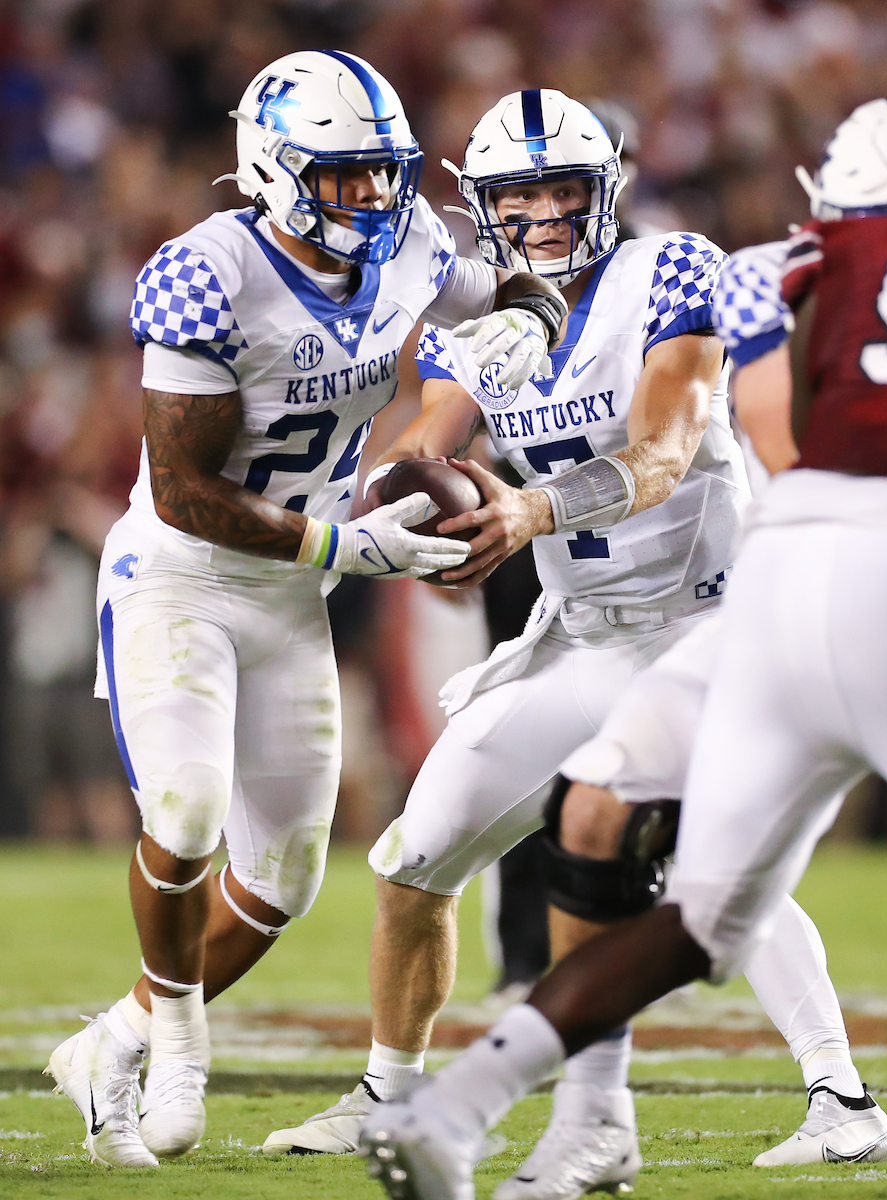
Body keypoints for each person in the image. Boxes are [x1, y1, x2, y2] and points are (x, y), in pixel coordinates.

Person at [267, 89, 887, 1182]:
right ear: (484, 207)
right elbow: (423, 449)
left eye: (564, 189)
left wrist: (526, 510)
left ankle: (843, 1098)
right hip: (581, 637)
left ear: (605, 190)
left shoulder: (671, 271)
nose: (546, 213)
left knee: (706, 855)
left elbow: (663, 452)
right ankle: (386, 1097)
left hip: (706, 626)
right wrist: (401, 508)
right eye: (521, 196)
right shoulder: (476, 323)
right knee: (414, 860)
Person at [44, 50, 568, 1170]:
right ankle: (177, 1050)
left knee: (283, 880)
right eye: (343, 176)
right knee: (187, 814)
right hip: (182, 578)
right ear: (275, 169)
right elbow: (183, 491)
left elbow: (518, 285)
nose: (372, 195)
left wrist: (529, 316)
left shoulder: (412, 240)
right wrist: (343, 543)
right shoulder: (207, 274)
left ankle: (112, 1041)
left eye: (382, 171)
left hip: (293, 591)